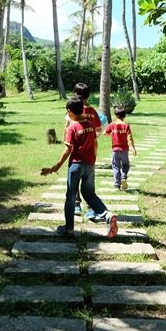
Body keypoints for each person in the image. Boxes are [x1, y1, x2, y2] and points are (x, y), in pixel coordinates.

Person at [41, 95, 118, 238]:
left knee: (70, 195)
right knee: (89, 194)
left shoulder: (72, 128)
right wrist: (93, 160)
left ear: (69, 111)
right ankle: (107, 215)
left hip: (76, 165)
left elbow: (68, 150)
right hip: (90, 164)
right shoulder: (89, 124)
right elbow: (95, 143)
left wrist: (55, 167)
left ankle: (69, 229)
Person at [63, 82, 102, 216]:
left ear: (75, 94)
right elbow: (98, 130)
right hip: (90, 152)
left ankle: (76, 205)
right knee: (89, 185)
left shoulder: (74, 108)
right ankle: (91, 209)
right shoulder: (91, 111)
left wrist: (66, 141)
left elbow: (67, 126)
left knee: (74, 182)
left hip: (75, 152)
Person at [105, 105, 137, 190]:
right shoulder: (126, 126)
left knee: (116, 166)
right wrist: (133, 148)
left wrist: (111, 133)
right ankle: (123, 176)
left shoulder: (112, 125)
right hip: (124, 150)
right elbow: (129, 137)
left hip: (115, 150)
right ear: (124, 115)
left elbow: (105, 132)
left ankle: (117, 185)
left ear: (115, 115)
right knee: (126, 165)